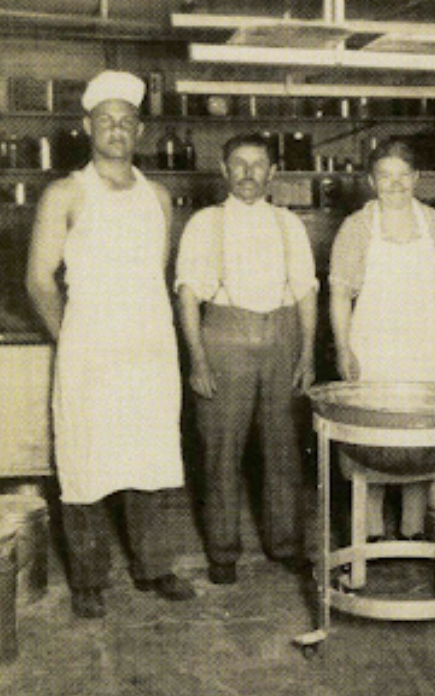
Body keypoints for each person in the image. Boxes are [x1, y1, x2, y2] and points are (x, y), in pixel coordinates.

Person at [26, 70, 196, 618]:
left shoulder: (160, 198)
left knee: (152, 458)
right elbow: (38, 279)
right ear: (86, 127)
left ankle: (154, 567)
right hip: (91, 352)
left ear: (140, 131)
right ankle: (89, 579)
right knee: (86, 461)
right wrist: (73, 337)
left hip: (148, 348)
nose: (116, 130)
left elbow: (155, 275)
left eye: (126, 121)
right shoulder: (66, 193)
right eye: (106, 120)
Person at [175, 133, 317, 583]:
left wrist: (309, 353)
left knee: (284, 448)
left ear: (273, 172)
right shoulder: (204, 222)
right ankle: (222, 551)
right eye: (239, 163)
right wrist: (197, 360)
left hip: (283, 334)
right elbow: (186, 295)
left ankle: (286, 543)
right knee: (220, 450)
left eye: (258, 164)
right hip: (223, 336)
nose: (249, 173)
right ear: (223, 169)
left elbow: (307, 292)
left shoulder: (288, 223)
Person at [329, 138, 435, 541]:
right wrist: (343, 346)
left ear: (417, 178)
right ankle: (369, 531)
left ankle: (412, 529)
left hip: (427, 343)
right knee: (373, 435)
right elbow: (339, 294)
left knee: (423, 434)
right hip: (374, 344)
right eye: (386, 176)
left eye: (403, 175)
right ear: (372, 181)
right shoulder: (356, 226)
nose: (395, 184)